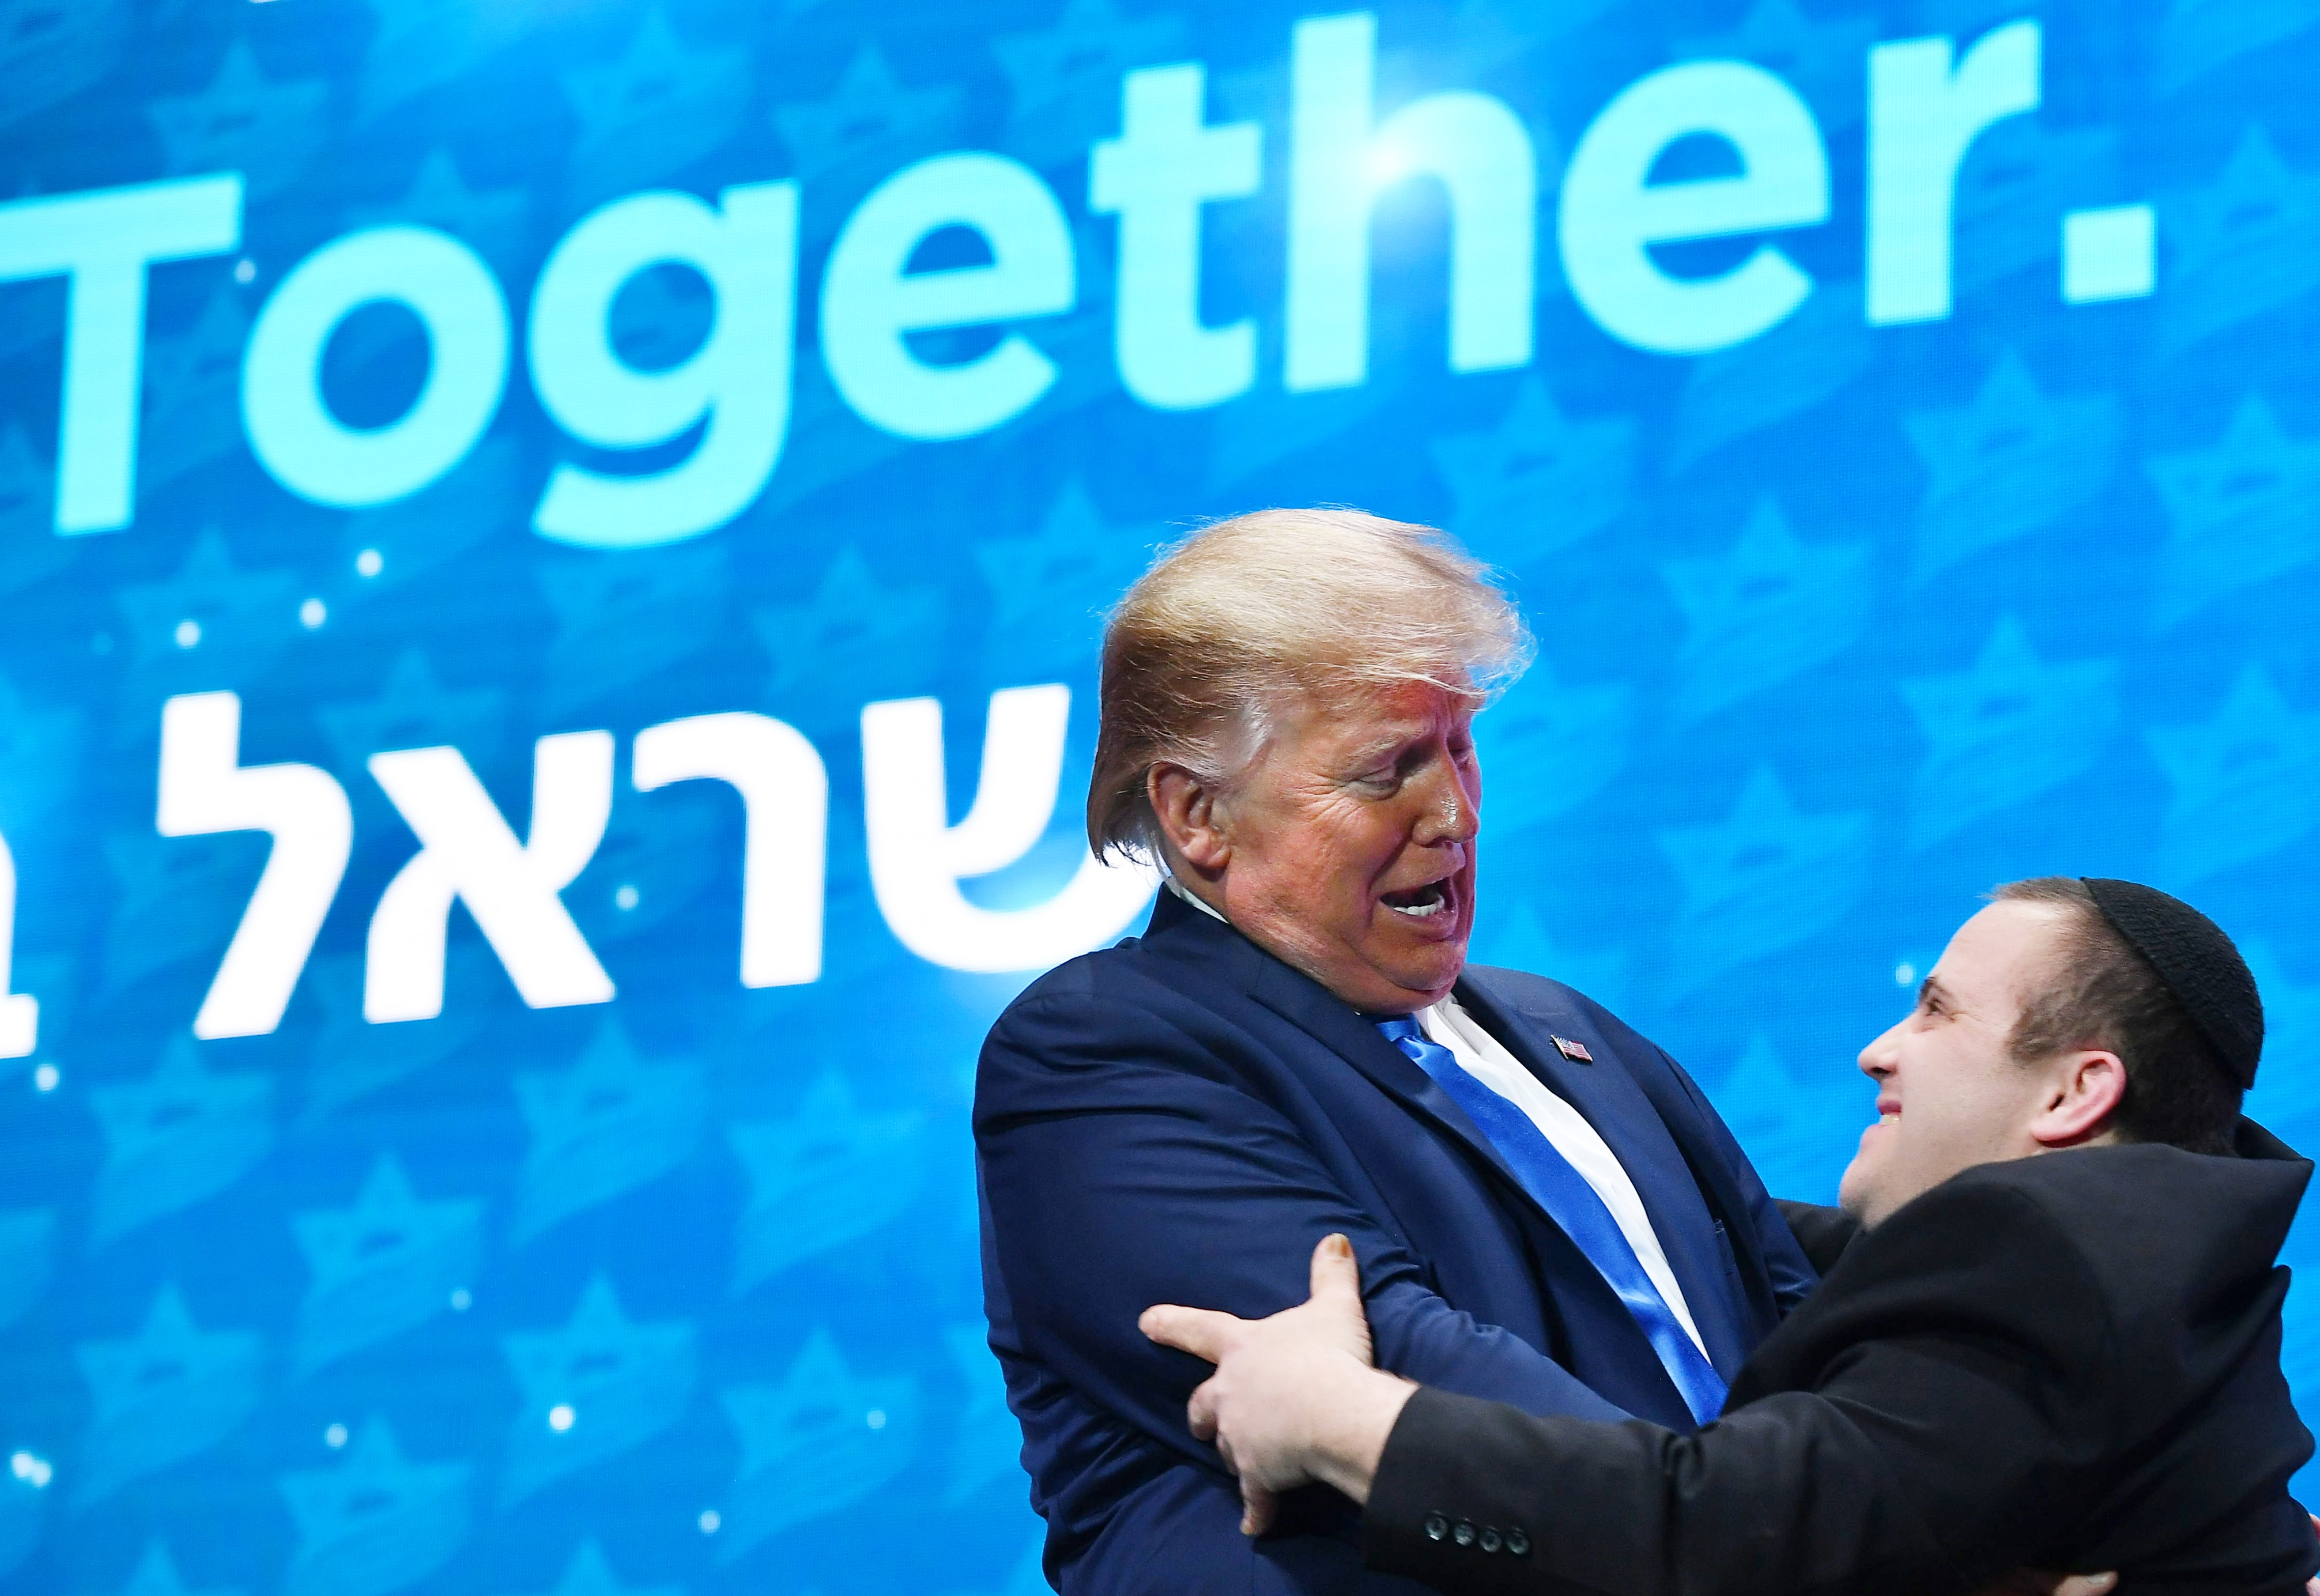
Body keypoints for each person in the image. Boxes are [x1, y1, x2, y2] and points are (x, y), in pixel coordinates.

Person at [977, 508, 1822, 1596]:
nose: (1455, 811)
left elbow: (1799, 1328)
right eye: (1388, 770)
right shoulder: (1104, 1051)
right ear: (1198, 815)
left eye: (1459, 748)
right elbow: (1409, 1382)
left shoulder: (1579, 1035)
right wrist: (1777, 1542)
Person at [1141, 878, 2320, 1595]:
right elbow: (1751, 1246)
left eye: (1939, 1008)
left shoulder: (2046, 1259)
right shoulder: (2139, 1254)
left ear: (2075, 1093)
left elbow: (1720, 1541)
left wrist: (1334, 1421)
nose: (1880, 1047)